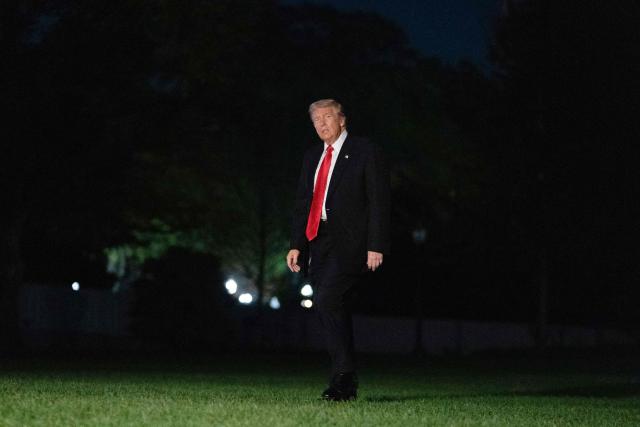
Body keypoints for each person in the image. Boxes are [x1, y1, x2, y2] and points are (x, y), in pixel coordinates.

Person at [286, 99, 390, 401]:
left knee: (327, 298)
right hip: (318, 240)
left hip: (351, 242)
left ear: (342, 120)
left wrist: (376, 244)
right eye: (316, 119)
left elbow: (379, 200)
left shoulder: (364, 151)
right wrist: (296, 245)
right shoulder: (311, 157)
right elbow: (303, 203)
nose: (322, 123)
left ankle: (344, 376)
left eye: (328, 117)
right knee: (331, 308)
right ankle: (343, 379)